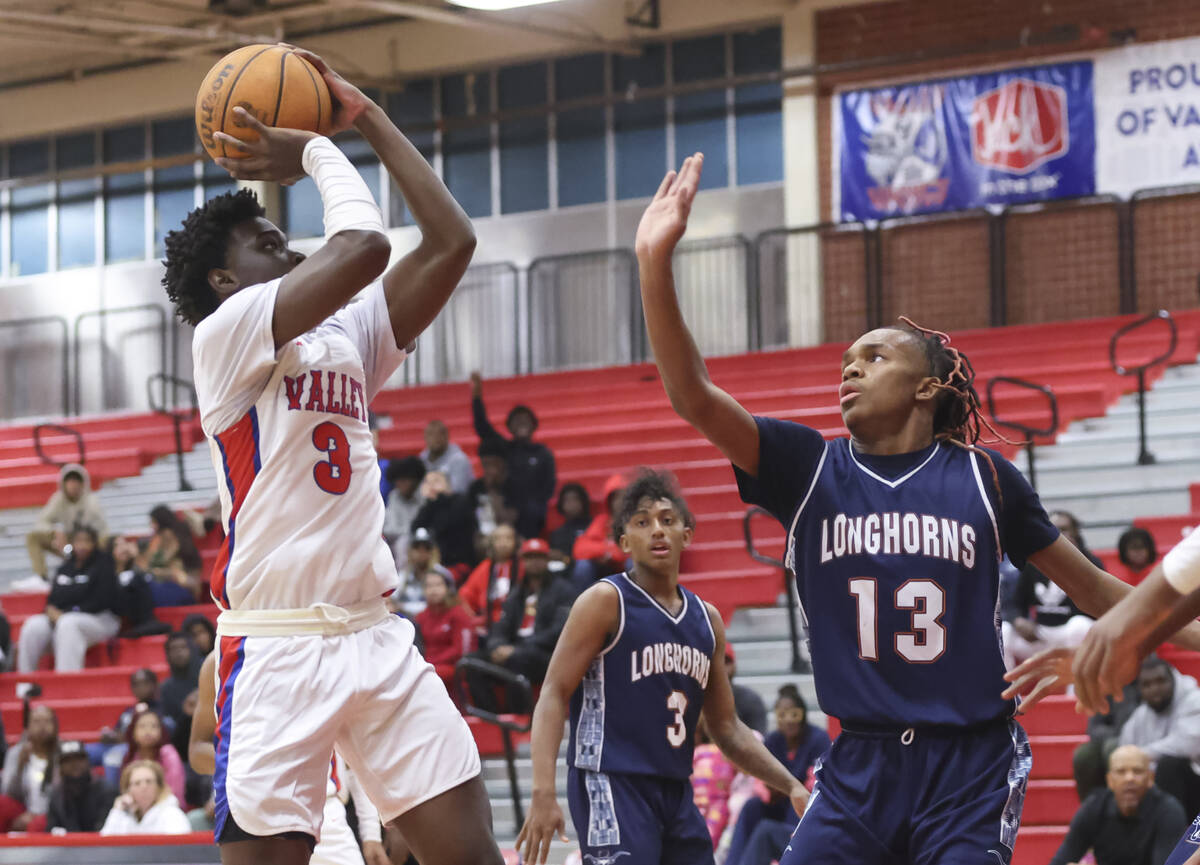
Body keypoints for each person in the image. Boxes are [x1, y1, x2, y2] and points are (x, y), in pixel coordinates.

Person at [633, 152, 1200, 865]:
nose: (852, 366)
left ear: (928, 388)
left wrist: (1186, 631)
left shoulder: (986, 479)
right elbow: (692, 395)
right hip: (858, 763)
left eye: (875, 357)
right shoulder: (807, 466)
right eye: (847, 360)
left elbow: (1094, 590)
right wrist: (653, 262)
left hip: (969, 763)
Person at [163, 45, 497, 865]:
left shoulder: (343, 333)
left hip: (374, 635)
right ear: (223, 279)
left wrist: (367, 117)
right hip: (277, 645)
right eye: (268, 243)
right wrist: (316, 149)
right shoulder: (225, 336)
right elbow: (365, 246)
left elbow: (451, 240)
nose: (289, 251)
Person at [516, 470, 807, 865]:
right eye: (642, 522)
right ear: (624, 541)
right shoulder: (605, 601)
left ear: (686, 535)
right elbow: (553, 692)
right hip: (611, 780)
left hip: (676, 788)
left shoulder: (707, 620)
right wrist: (543, 791)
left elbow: (726, 727)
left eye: (667, 520)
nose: (656, 530)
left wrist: (791, 785)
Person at [1004, 523, 1200, 865]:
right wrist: (1127, 648)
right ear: (1110, 780)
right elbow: (1163, 602)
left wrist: (1121, 645)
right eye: (1122, 774)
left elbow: (1107, 592)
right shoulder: (1098, 807)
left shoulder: (1187, 699)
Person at [189, 651, 390, 865]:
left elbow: (355, 757)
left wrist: (371, 834)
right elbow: (197, 751)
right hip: (253, 804)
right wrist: (257, 766)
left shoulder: (324, 649)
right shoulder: (220, 658)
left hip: (325, 812)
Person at [465, 538, 574, 714]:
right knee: (471, 662)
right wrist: (497, 646)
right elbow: (501, 625)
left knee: (517, 659)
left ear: (547, 560)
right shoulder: (517, 591)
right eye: (529, 557)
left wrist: (517, 649)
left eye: (538, 557)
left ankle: (519, 718)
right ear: (523, 561)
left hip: (546, 654)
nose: (534, 562)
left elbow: (559, 631)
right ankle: (491, 717)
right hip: (514, 650)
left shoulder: (563, 590)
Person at [723, 686, 830, 865]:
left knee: (770, 826)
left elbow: (818, 784)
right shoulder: (773, 739)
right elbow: (760, 781)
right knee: (751, 807)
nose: (788, 721)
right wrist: (769, 789)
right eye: (782, 715)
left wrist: (789, 788)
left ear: (803, 714)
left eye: (794, 714)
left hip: (806, 814)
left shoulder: (818, 739)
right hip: (778, 803)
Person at [1049, 745, 1187, 865]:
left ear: (1150, 778)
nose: (1129, 778)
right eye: (1121, 771)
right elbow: (1060, 861)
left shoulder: (1169, 812)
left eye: (1137, 771)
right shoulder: (1093, 807)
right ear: (1110, 780)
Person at [17, 526, 120, 673]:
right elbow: (53, 598)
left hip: (101, 619)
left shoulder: (104, 563)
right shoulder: (65, 567)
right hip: (64, 616)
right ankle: (26, 681)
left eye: (87, 541)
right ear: (72, 543)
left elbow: (102, 600)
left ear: (94, 543)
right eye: (78, 541)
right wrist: (50, 610)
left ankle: (66, 681)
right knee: (33, 625)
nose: (82, 546)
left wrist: (68, 611)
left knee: (68, 623)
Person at [1002, 514, 1098, 670]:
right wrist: (1018, 620)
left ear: (1076, 533)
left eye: (1064, 529)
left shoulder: (1090, 562)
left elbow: (1101, 606)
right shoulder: (1035, 562)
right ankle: (1007, 685)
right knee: (1004, 631)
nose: (1059, 534)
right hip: (1040, 635)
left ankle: (1075, 685)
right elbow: (1015, 603)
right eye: (1054, 529)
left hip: (1070, 634)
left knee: (1080, 625)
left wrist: (1076, 557)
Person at [470, 371, 557, 540]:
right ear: (509, 427)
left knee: (531, 510)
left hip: (532, 511)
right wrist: (476, 397)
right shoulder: (506, 448)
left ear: (534, 424)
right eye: (516, 420)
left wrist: (531, 505)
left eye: (525, 419)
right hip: (508, 505)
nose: (521, 423)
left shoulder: (543, 453)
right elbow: (482, 428)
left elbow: (548, 487)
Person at [1118, 657, 1200, 815]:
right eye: (1147, 685)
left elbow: (1186, 746)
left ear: (1174, 680)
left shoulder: (1195, 700)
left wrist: (1139, 755)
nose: (1154, 689)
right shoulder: (1141, 714)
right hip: (1157, 785)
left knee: (1169, 765)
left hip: (1194, 788)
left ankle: (1177, 828)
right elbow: (1124, 750)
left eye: (1161, 681)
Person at [25, 464, 107, 583]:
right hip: (67, 542)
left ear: (83, 484)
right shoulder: (58, 499)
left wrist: (85, 541)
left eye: (77, 481)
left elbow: (101, 529)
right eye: (70, 481)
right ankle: (41, 577)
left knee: (105, 541)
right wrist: (55, 532)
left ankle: (99, 573)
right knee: (33, 537)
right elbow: (41, 521)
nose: (73, 484)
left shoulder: (91, 501)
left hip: (89, 543)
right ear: (63, 483)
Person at [1075, 682, 1143, 802]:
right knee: (1084, 754)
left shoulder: (1147, 678)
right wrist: (1118, 734)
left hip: (1143, 739)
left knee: (1113, 747)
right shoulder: (1106, 683)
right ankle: (1091, 806)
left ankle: (1118, 805)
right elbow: (1093, 728)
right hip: (1112, 736)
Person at [414, 570, 474, 698]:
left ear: (448, 588)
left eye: (438, 585)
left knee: (423, 677)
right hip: (427, 665)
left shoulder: (458, 614)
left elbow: (461, 650)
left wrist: (430, 663)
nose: (433, 590)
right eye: (429, 586)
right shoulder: (421, 617)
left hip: (453, 668)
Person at [0, 705, 59, 832]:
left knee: (38, 824)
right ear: (27, 727)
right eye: (37, 721)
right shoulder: (16, 753)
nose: (42, 726)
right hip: (23, 809)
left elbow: (63, 795)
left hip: (53, 813)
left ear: (55, 726)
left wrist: (37, 815)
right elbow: (8, 793)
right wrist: (20, 767)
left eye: (47, 721)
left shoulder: (62, 753)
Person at [413, 470, 479, 580]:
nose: (432, 486)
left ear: (448, 484)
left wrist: (437, 499)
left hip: (459, 562)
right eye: (428, 482)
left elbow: (444, 526)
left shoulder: (461, 502)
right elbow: (415, 527)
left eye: (436, 481)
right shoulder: (429, 505)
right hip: (435, 562)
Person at [459, 524, 521, 637]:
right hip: (489, 625)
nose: (503, 543)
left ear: (516, 542)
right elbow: (464, 596)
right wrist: (474, 618)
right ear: (491, 543)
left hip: (516, 623)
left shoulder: (523, 566)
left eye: (508, 538)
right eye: (498, 539)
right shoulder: (484, 568)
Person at [100, 760, 192, 835]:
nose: (144, 787)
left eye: (149, 781)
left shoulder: (172, 815)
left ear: (159, 787)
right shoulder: (124, 815)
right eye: (137, 783)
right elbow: (104, 844)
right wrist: (117, 811)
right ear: (128, 790)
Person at [137, 505, 204, 606]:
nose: (152, 527)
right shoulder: (158, 543)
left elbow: (194, 586)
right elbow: (147, 567)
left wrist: (169, 574)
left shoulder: (185, 551)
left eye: (153, 522)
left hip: (184, 591)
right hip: (165, 588)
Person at [570, 473, 627, 591]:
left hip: (627, 569)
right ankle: (584, 602)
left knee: (634, 563)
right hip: (604, 569)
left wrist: (612, 554)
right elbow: (580, 548)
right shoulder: (602, 521)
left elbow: (636, 551)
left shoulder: (640, 521)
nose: (620, 502)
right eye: (616, 497)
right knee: (583, 566)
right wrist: (607, 551)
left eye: (624, 497)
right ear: (609, 501)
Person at [120, 706, 187, 806]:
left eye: (154, 726)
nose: (148, 731)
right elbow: (126, 791)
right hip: (138, 809)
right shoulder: (130, 757)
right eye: (142, 726)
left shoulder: (168, 753)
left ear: (162, 731)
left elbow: (176, 791)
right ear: (132, 732)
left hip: (167, 806)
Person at [47, 740, 116, 833]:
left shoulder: (107, 791)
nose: (74, 764)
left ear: (88, 762)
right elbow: (52, 829)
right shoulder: (56, 796)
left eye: (79, 758)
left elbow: (107, 829)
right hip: (67, 842)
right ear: (60, 767)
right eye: (68, 760)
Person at [390, 528, 455, 618]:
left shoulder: (443, 575)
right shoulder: (403, 575)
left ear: (433, 551)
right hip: (406, 620)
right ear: (410, 551)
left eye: (426, 548)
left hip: (436, 619)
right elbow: (392, 600)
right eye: (417, 547)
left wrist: (404, 607)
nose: (422, 552)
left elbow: (450, 602)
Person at [467, 437, 519, 539]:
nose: (491, 469)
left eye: (494, 464)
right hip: (484, 537)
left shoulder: (514, 486)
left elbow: (511, 519)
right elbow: (471, 519)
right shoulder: (476, 487)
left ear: (503, 464)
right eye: (486, 464)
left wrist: (492, 490)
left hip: (510, 536)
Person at [383, 456, 427, 564]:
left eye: (405, 480)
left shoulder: (424, 497)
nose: (401, 484)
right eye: (397, 480)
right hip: (399, 544)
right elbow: (390, 529)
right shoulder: (394, 496)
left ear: (415, 480)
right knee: (402, 542)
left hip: (424, 542)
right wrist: (408, 533)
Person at [421, 420, 475, 495]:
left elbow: (458, 491)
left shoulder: (459, 459)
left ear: (447, 436)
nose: (435, 438)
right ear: (425, 438)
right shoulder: (422, 459)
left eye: (440, 434)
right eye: (431, 434)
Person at [724, 645, 768, 735]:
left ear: (734, 666)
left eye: (726, 662)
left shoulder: (750, 700)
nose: (721, 668)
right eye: (716, 662)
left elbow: (758, 737)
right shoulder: (698, 697)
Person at [548, 483, 591, 566]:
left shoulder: (594, 526)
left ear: (583, 502)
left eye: (575, 499)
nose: (571, 504)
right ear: (561, 504)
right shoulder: (557, 534)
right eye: (567, 500)